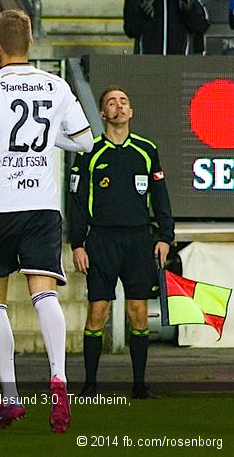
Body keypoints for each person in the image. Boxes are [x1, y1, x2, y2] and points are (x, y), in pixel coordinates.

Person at [0, 9, 93, 433]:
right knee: (44, 294)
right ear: (32, 42)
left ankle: (11, 397)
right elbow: (85, 140)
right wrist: (48, 139)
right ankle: (58, 378)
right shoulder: (56, 84)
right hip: (41, 202)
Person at [69, 87, 174, 400]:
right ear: (103, 114)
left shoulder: (146, 149)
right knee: (97, 312)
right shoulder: (89, 151)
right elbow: (75, 201)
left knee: (138, 312)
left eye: (124, 101)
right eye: (111, 103)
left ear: (131, 111)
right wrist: (77, 243)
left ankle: (140, 385)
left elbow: (160, 197)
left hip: (139, 240)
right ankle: (89, 385)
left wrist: (165, 237)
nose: (119, 106)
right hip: (101, 239)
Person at [124, 0, 210, 55]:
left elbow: (201, 26)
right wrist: (142, 13)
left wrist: (190, 9)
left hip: (182, 65)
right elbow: (130, 30)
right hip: (147, 64)